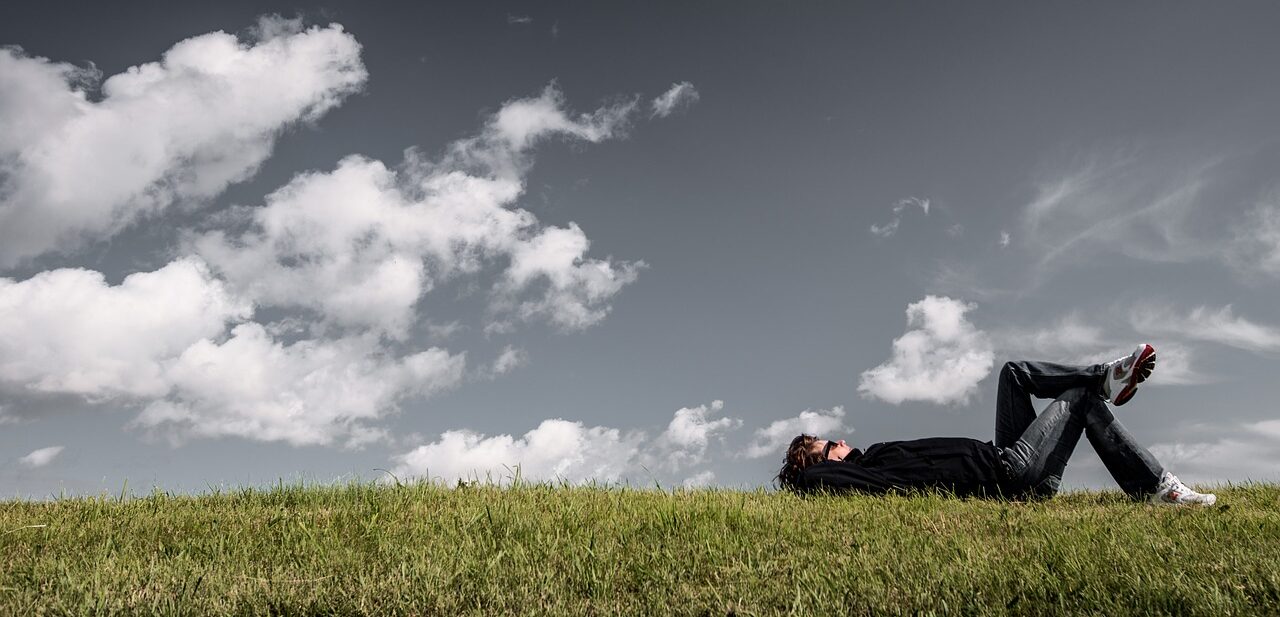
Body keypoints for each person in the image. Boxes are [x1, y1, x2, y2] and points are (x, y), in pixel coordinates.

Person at [776, 344, 1217, 505]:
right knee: (1080, 400)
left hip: (1001, 453)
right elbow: (814, 480)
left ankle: (1105, 376)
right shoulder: (850, 475)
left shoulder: (873, 457)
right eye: (827, 443)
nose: (838, 439)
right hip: (1009, 474)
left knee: (1013, 373)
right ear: (821, 464)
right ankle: (1160, 488)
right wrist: (806, 465)